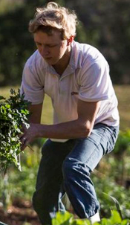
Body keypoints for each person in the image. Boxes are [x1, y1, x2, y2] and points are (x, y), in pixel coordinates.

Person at [19, 2, 119, 224]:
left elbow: (84, 127)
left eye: (51, 46)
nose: (43, 52)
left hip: (100, 126)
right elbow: (31, 122)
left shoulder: (91, 63)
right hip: (63, 128)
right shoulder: (35, 65)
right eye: (38, 44)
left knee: (74, 167)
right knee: (44, 197)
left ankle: (94, 222)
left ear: (70, 39)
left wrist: (37, 130)